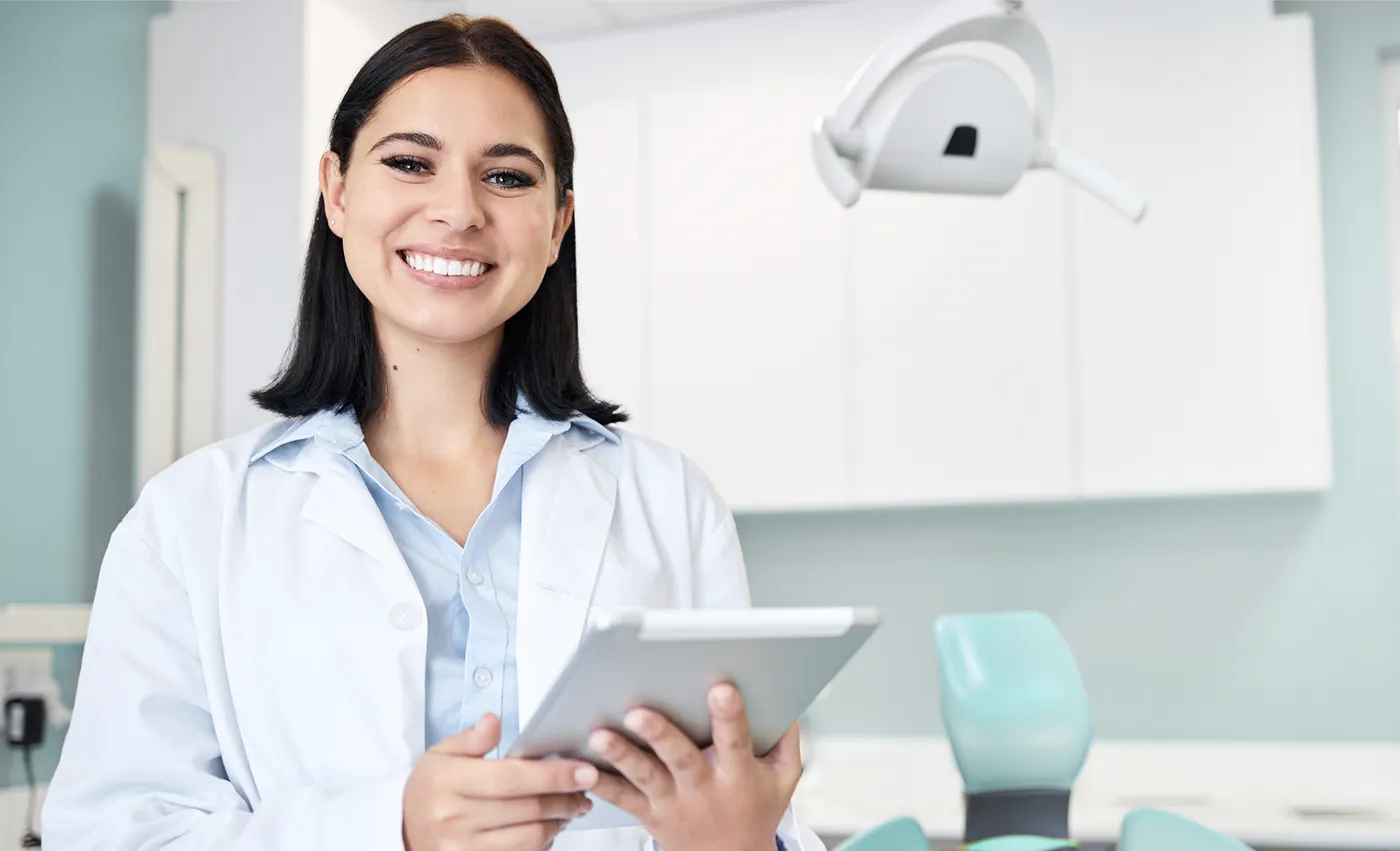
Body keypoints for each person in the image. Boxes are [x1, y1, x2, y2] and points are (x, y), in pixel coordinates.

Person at [41, 13, 824, 851]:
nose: (457, 211)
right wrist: (389, 830)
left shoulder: (670, 503)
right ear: (337, 192)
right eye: (410, 163)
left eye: (509, 177)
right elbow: (110, 833)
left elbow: (745, 798)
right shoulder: (187, 521)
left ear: (559, 223)